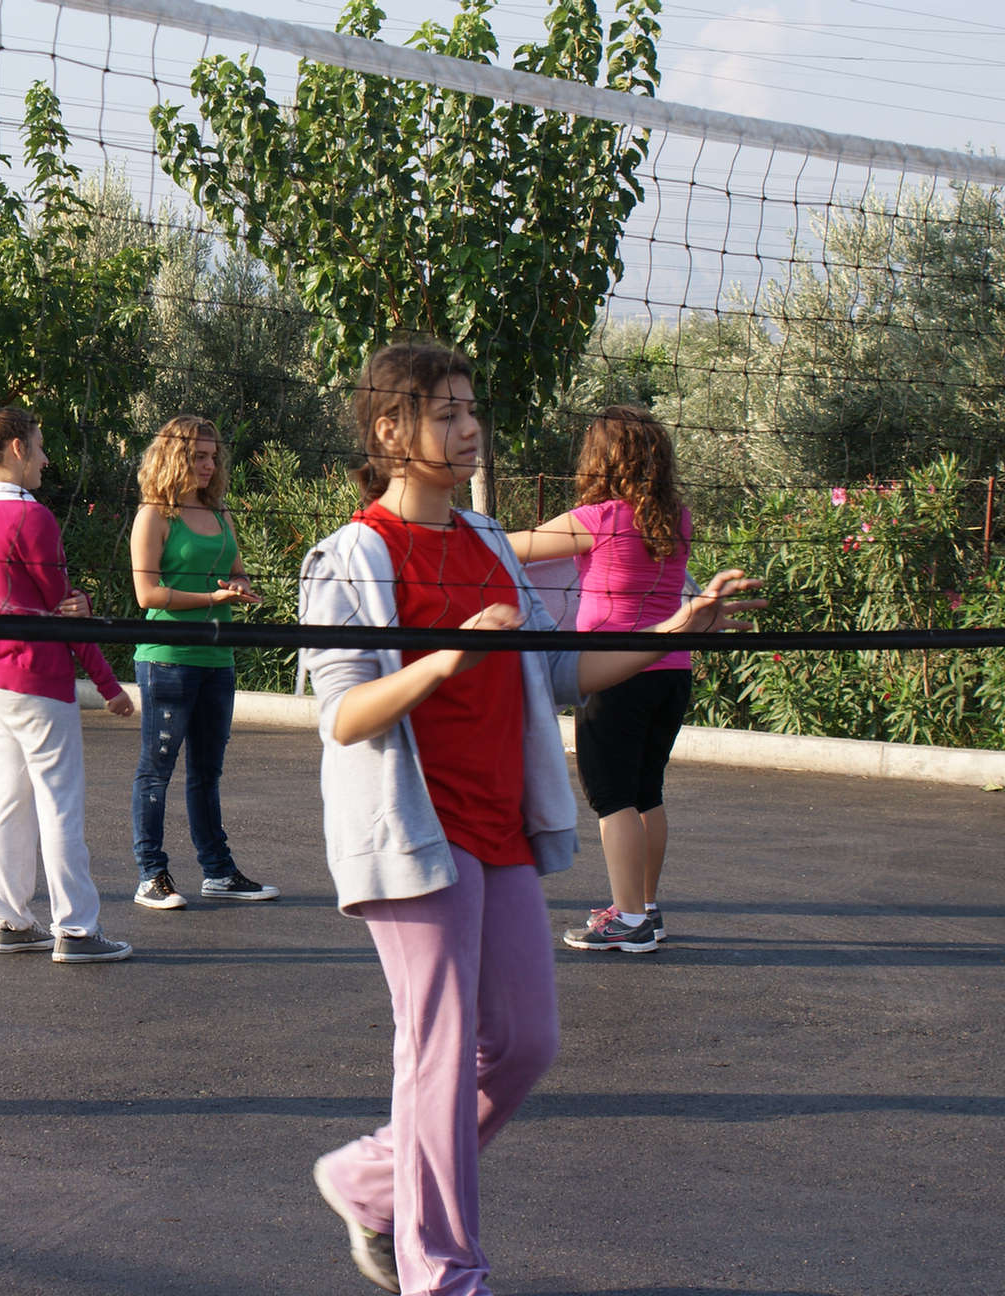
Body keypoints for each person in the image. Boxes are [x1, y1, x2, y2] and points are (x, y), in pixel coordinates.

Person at [297, 344, 760, 1294]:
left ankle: (371, 1180)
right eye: (447, 414)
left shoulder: (490, 544)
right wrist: (443, 660)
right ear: (390, 430)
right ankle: (445, 1273)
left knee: (525, 1043)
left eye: (472, 410)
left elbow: (557, 671)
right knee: (437, 1055)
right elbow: (343, 715)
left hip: (500, 827)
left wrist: (674, 632)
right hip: (414, 833)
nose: (470, 429)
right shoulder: (352, 557)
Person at [0, 395, 136, 964]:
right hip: (36, 678)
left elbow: (40, 602)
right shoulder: (32, 517)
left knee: (8, 799)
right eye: (39, 447)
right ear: (17, 447)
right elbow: (65, 614)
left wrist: (69, 604)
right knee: (60, 804)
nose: (46, 459)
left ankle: (9, 920)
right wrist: (109, 685)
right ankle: (77, 930)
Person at [510, 405, 693, 953]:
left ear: (603, 459)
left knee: (612, 799)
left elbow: (509, 546)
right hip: (671, 672)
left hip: (613, 675)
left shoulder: (600, 518)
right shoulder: (677, 519)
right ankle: (645, 909)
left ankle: (629, 921)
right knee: (647, 792)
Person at [126, 415, 274, 910]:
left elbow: (236, 571)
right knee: (157, 770)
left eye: (213, 456)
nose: (209, 465)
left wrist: (238, 586)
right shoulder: (153, 515)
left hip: (217, 657)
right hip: (168, 659)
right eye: (198, 457)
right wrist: (212, 598)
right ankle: (151, 875)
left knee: (207, 772)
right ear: (173, 458)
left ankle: (218, 872)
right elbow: (147, 593)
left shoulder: (220, 512)